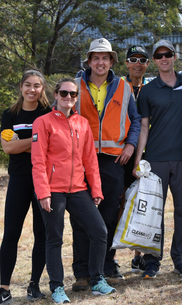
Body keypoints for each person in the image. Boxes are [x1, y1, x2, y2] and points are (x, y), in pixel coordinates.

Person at [31, 78, 115, 303]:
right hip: (53, 190)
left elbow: (90, 160)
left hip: (79, 188)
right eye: (64, 93)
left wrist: (96, 189)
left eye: (73, 94)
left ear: (77, 97)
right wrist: (43, 193)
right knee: (54, 238)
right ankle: (57, 287)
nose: (69, 98)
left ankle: (97, 280)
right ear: (56, 95)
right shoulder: (43, 122)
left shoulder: (83, 123)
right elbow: (38, 161)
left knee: (99, 232)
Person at [70, 38, 141, 290]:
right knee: (80, 216)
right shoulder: (75, 86)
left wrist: (131, 146)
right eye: (95, 57)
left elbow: (135, 120)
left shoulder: (123, 86)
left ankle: (107, 267)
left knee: (110, 214)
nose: (100, 62)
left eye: (105, 58)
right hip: (81, 160)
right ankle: (82, 273)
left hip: (113, 161)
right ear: (89, 61)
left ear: (112, 61)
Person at [133, 40, 182, 279]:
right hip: (156, 158)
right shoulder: (148, 90)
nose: (164, 58)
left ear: (174, 57)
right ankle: (151, 261)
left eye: (167, 54)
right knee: (154, 212)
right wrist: (139, 159)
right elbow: (143, 127)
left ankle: (181, 259)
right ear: (154, 61)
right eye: (158, 56)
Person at [0, 70, 51, 304]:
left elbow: (52, 147)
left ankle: (34, 285)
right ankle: (3, 287)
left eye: (37, 85)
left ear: (42, 88)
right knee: (11, 233)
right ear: (20, 87)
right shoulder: (9, 114)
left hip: (43, 179)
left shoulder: (49, 113)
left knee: (42, 233)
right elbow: (7, 148)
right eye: (28, 85)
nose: (32, 89)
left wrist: (22, 143)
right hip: (19, 178)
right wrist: (36, 141)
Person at [121, 45, 150, 273]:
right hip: (121, 153)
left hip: (148, 155)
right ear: (127, 63)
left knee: (144, 205)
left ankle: (139, 255)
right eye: (133, 59)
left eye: (143, 59)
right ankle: (109, 256)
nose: (138, 63)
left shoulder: (151, 88)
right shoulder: (120, 87)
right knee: (120, 204)